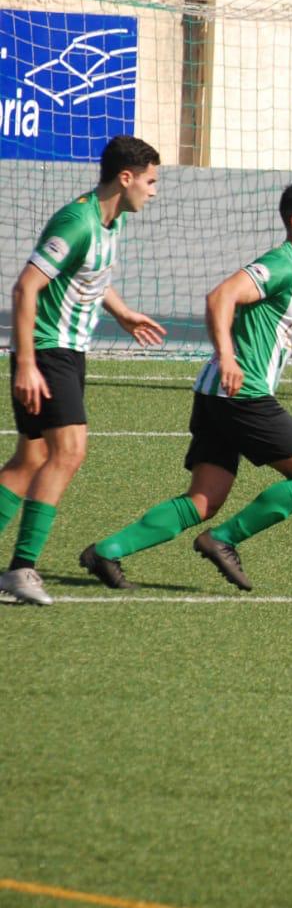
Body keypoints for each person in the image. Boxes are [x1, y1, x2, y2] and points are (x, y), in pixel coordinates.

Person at [78, 183, 292, 593]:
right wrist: (227, 356)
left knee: (204, 499)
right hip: (243, 394)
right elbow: (220, 297)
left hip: (217, 395)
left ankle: (107, 551)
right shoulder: (279, 265)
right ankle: (223, 540)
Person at [0, 136, 166, 607]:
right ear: (126, 178)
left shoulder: (111, 221)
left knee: (30, 459)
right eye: (151, 181)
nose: (154, 191)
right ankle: (21, 569)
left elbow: (90, 275)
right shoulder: (77, 222)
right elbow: (25, 288)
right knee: (69, 452)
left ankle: (17, 570)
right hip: (47, 351)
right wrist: (26, 363)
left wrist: (123, 313)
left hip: (67, 353)